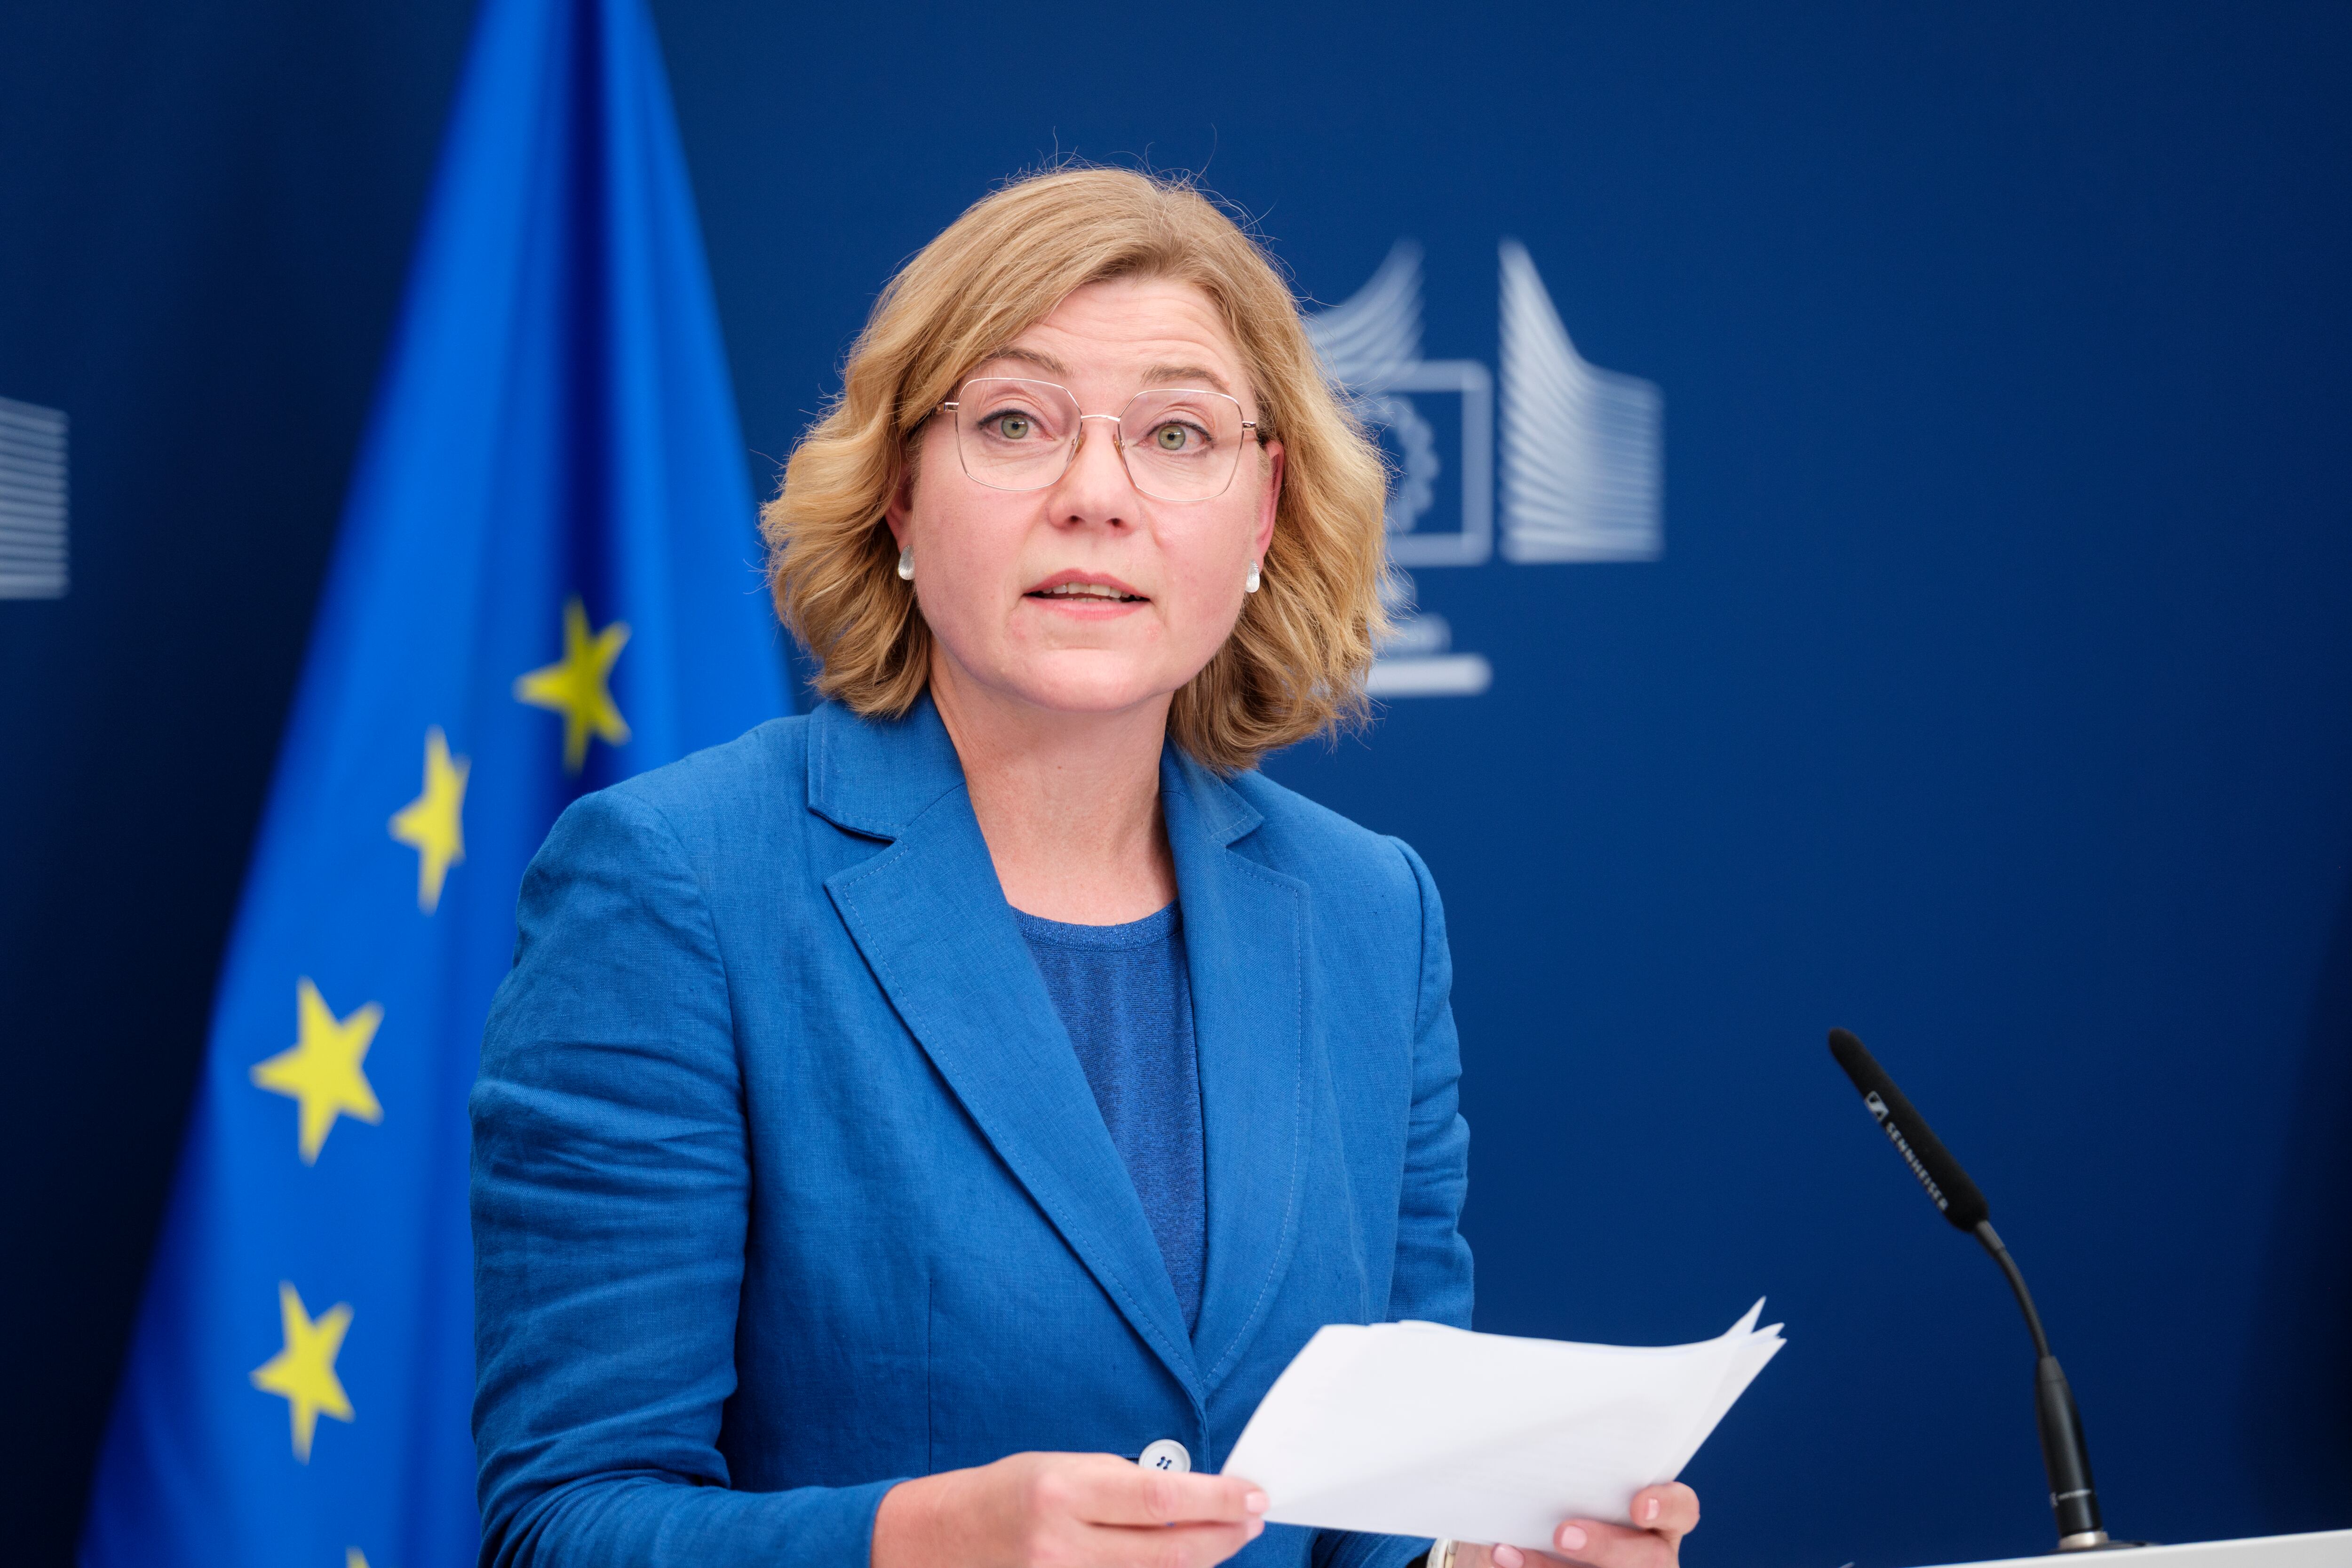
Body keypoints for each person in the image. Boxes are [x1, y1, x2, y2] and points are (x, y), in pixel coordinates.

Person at [469, 167, 1699, 1568]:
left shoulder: (1370, 913)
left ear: (1263, 512)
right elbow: (563, 1524)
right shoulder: (676, 884)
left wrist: (1485, 1561)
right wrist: (922, 1542)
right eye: (1013, 423)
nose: (1097, 496)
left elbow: (1375, 1515)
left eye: (1179, 434)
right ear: (898, 499)